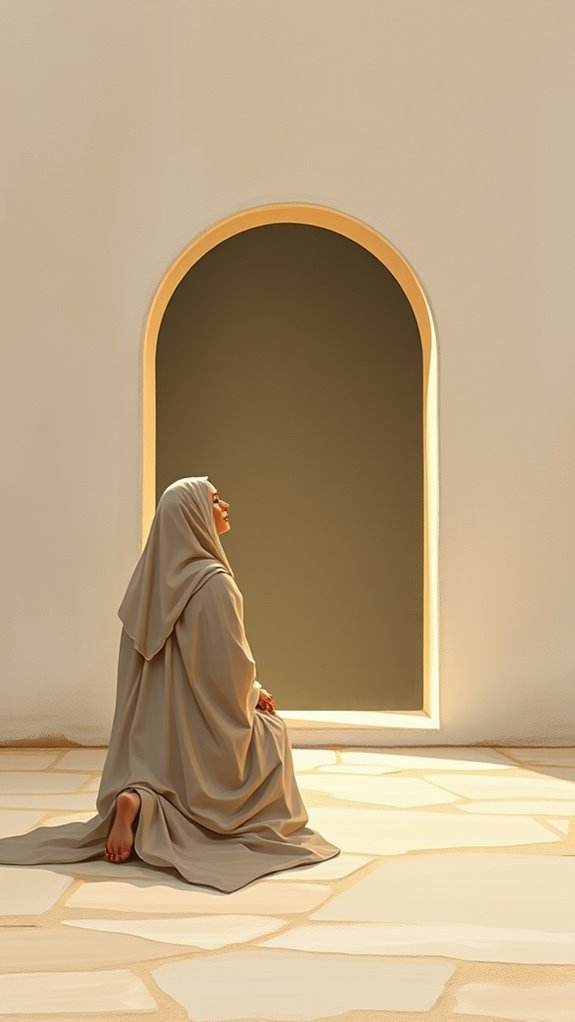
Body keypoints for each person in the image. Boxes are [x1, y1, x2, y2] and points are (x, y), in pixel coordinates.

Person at [0, 476, 341, 892]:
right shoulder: (214, 584)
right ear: (193, 515)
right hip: (202, 736)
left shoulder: (144, 588)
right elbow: (228, 671)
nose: (226, 505)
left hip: (155, 742)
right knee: (272, 734)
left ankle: (143, 797)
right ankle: (200, 817)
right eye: (216, 500)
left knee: (229, 737)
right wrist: (255, 693)